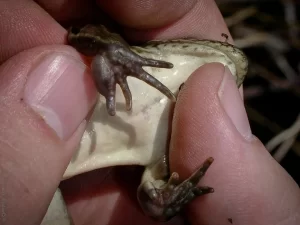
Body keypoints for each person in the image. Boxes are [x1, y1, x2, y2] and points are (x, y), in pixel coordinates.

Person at [1, 0, 299, 224]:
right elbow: (79, 35)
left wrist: (163, 204)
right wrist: (113, 48)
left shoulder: (166, 160)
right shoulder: (122, 55)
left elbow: (152, 201)